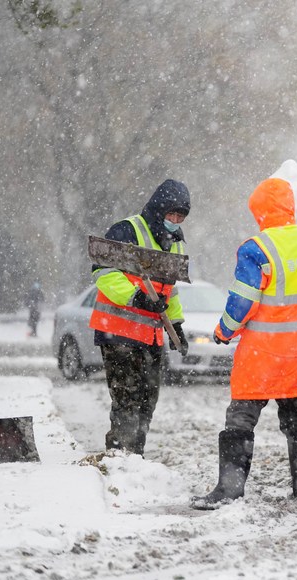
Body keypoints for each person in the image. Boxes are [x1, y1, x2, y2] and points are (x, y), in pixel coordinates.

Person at [190, 176, 297, 510]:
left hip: (264, 353)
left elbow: (243, 300)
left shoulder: (257, 248)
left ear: (261, 211)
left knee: (240, 419)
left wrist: (224, 331)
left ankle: (230, 489)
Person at [88, 179, 191, 456]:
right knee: (126, 400)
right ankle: (120, 458)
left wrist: (177, 326)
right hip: (119, 332)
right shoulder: (127, 230)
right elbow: (103, 272)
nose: (175, 220)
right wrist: (136, 297)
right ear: (158, 209)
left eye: (180, 216)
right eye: (171, 214)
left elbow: (170, 290)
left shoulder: (176, 243)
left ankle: (136, 457)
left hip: (151, 336)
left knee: (148, 400)